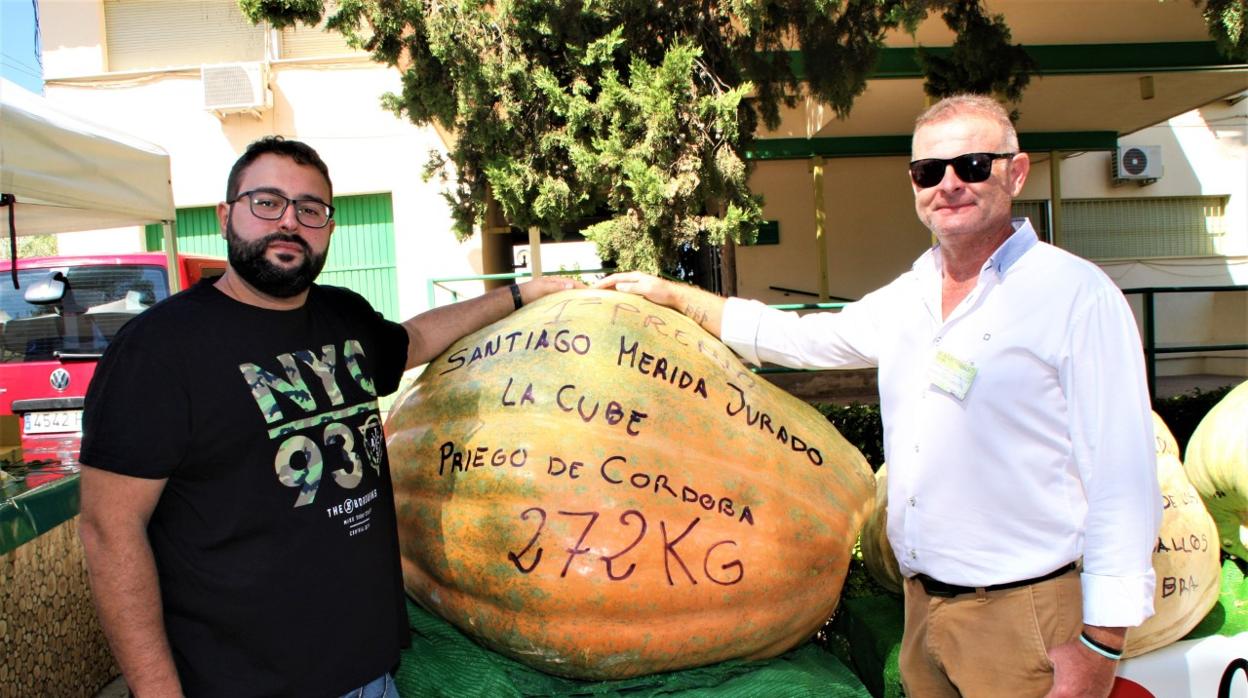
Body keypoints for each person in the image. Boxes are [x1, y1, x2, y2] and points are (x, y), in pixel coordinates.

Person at [597, 94, 1160, 698]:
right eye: (928, 171)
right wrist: (680, 297)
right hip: (923, 609)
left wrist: (1101, 646)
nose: (949, 184)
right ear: (914, 184)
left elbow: (1122, 479)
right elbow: (801, 338)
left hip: (1023, 619)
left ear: (1015, 172)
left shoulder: (1075, 295)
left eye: (971, 165)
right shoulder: (911, 292)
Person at [78, 136, 578, 698]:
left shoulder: (342, 314)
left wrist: (519, 295)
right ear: (226, 216)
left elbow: (412, 339)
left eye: (310, 209)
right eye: (267, 202)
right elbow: (109, 530)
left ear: (329, 229)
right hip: (242, 682)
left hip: (368, 674)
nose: (289, 222)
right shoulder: (159, 350)